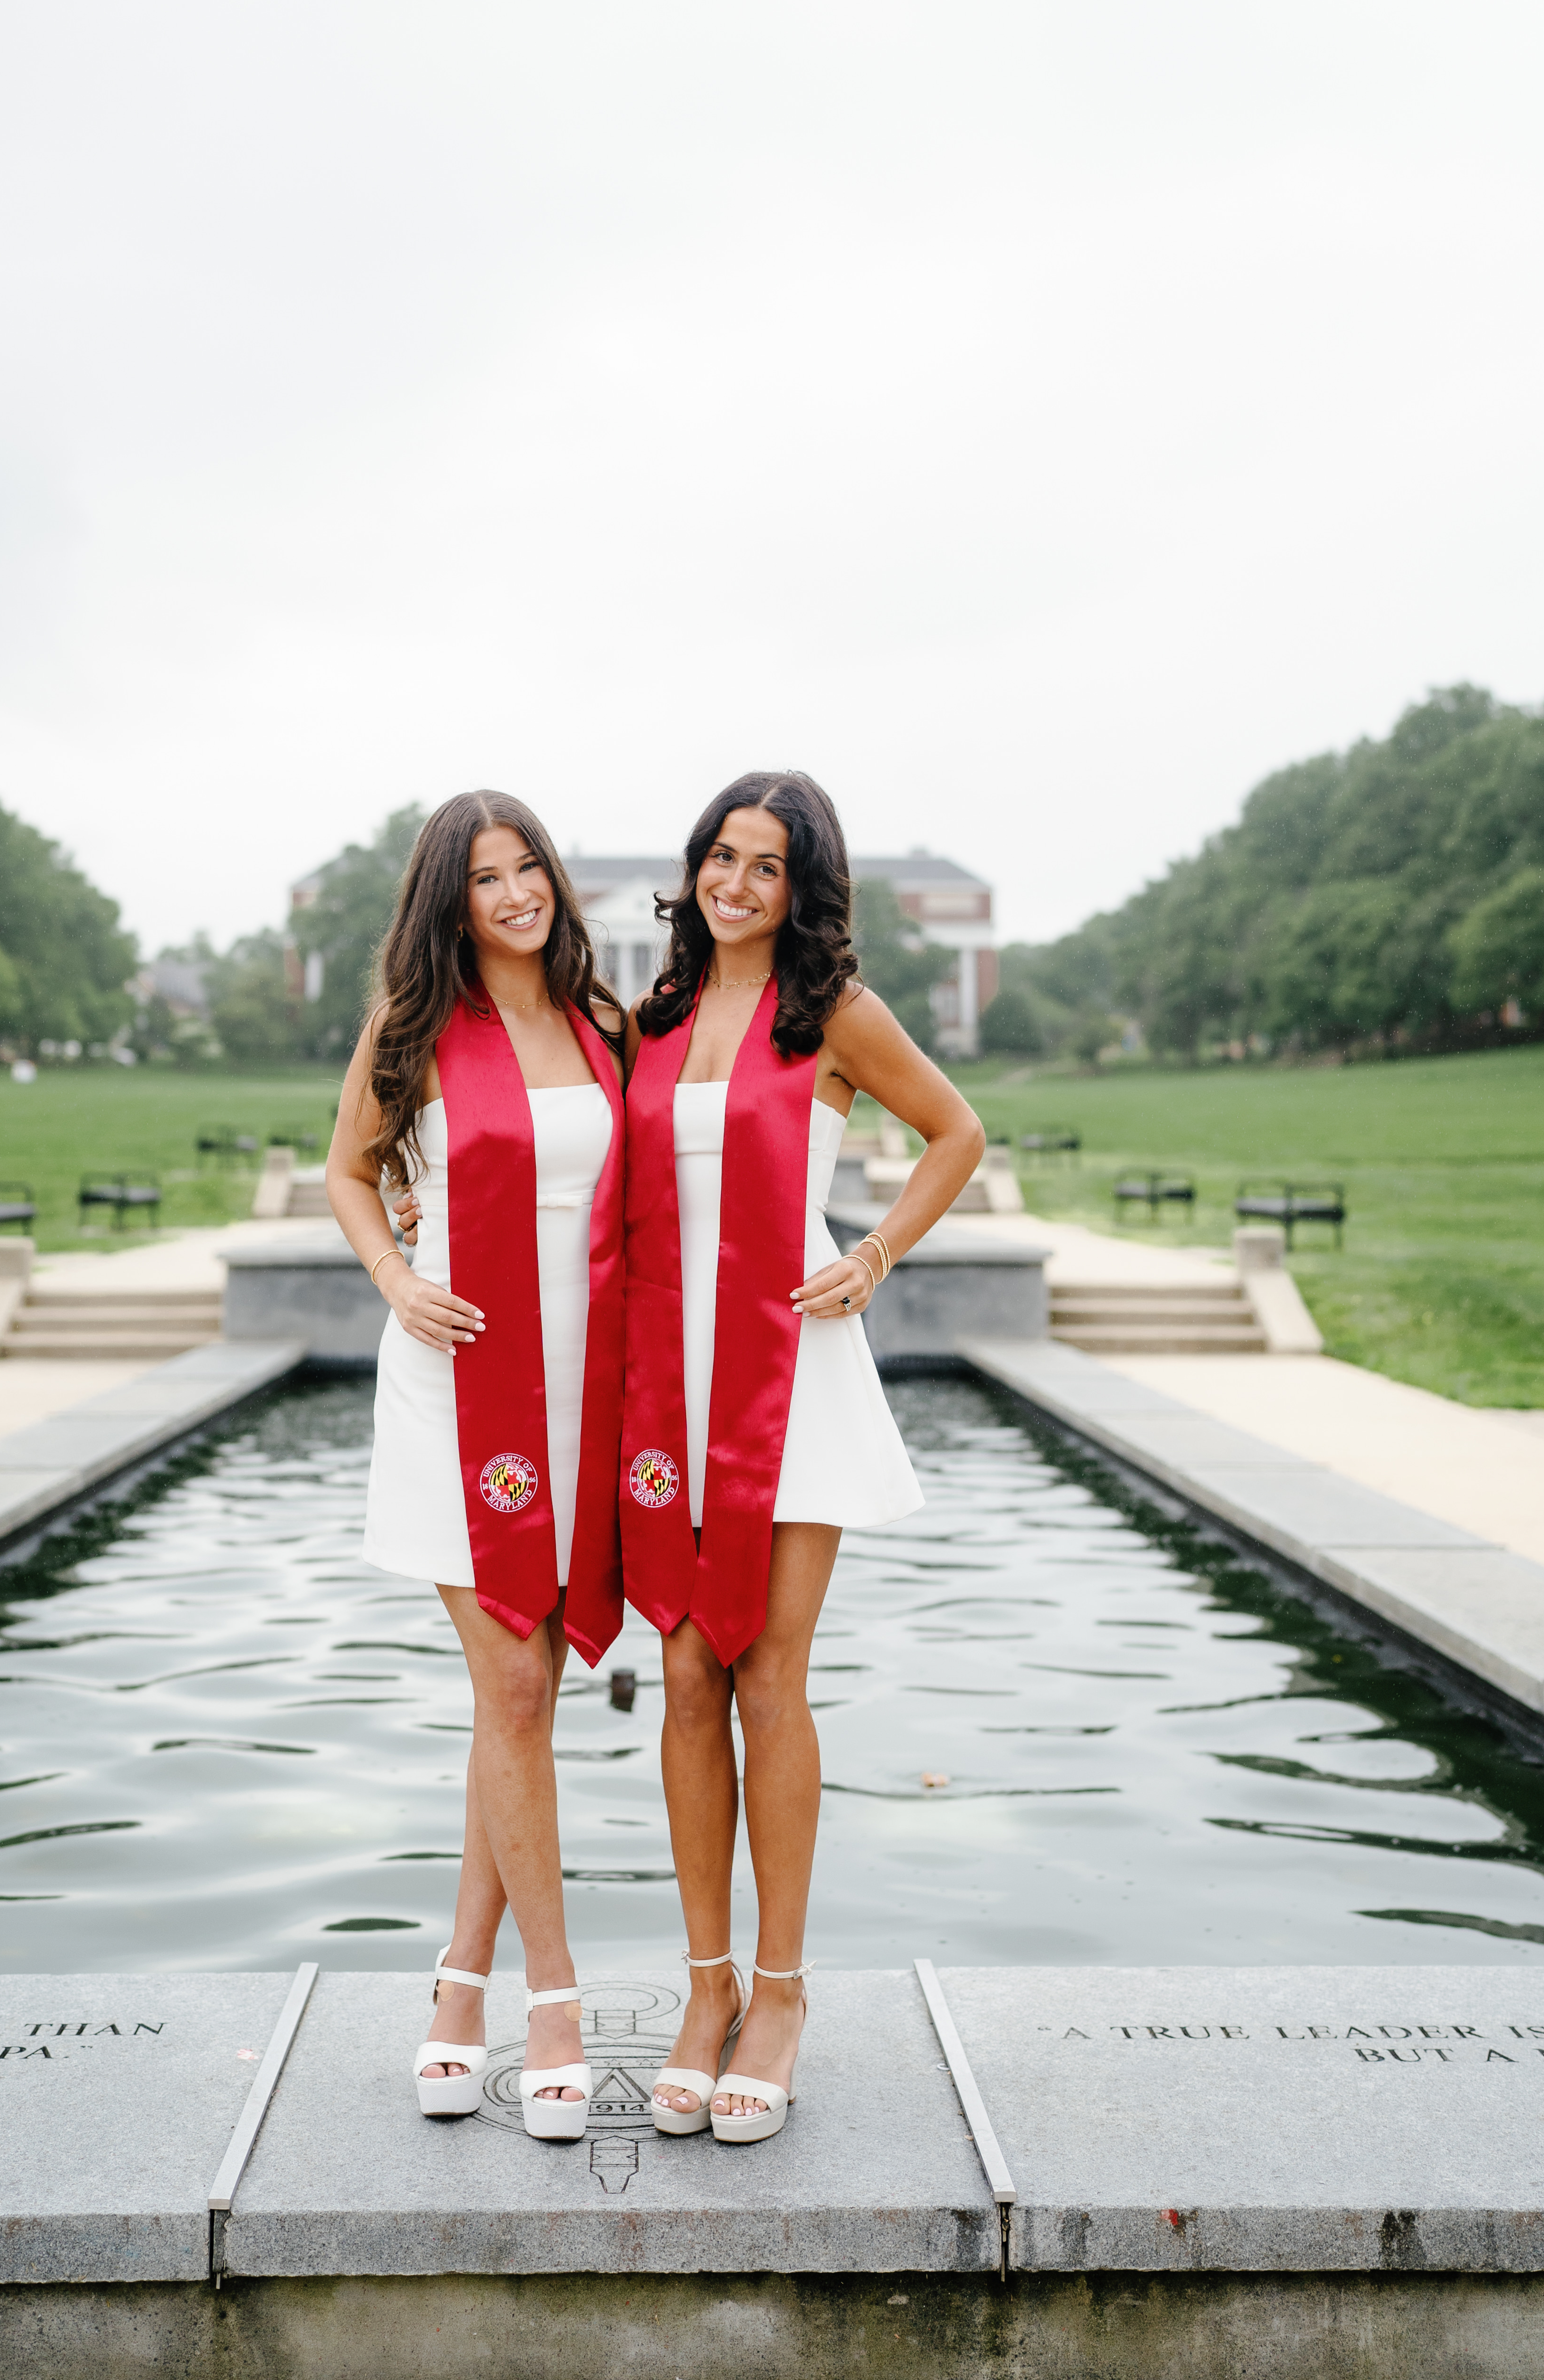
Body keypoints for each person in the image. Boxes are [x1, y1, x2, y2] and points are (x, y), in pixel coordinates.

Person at [623, 771, 983, 2144]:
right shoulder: (649, 1019)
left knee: (770, 1672)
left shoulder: (829, 1015)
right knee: (681, 1666)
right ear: (694, 869)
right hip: (668, 1389)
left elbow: (955, 1131)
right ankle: (702, 1990)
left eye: (767, 866)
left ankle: (780, 1995)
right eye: (721, 856)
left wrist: (875, 1252)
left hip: (788, 1377)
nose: (736, 884)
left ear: (801, 886)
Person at [326, 791, 627, 2143]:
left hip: (588, 1392)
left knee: (520, 1702)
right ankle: (550, 1999)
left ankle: (456, 1986)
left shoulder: (604, 1025)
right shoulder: (413, 1033)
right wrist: (395, 1272)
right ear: (448, 901)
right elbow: (350, 1171)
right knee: (513, 1680)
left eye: (528, 870)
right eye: (485, 879)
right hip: (461, 1389)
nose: (514, 895)